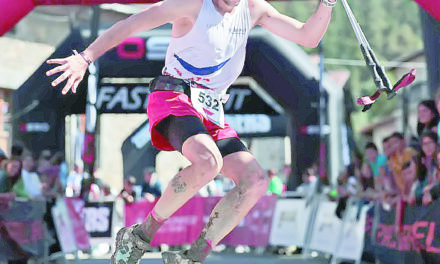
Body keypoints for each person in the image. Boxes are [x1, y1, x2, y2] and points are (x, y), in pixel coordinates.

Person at [46, 0, 337, 262]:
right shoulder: (192, 5)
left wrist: (328, 2)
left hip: (211, 109)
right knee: (210, 162)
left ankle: (192, 256)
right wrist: (85, 58)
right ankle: (139, 236)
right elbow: (130, 24)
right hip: (173, 96)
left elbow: (308, 36)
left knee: (255, 180)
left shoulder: (253, 9)